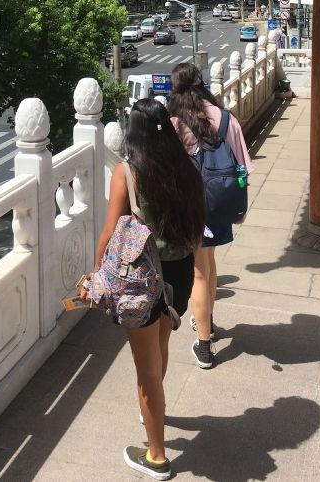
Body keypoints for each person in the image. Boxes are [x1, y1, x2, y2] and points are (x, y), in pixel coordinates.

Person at [85, 97, 204, 480]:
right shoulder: (185, 166)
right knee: (161, 346)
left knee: (146, 372)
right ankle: (152, 411)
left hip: (141, 279)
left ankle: (157, 456)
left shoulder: (128, 172)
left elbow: (109, 231)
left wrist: (97, 274)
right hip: (180, 273)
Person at [168, 62, 254, 370]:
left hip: (191, 205)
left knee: (199, 272)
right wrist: (241, 205)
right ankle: (209, 321)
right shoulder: (225, 118)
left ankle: (204, 345)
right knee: (210, 263)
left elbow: (165, 167)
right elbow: (243, 166)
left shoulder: (175, 121)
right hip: (218, 203)